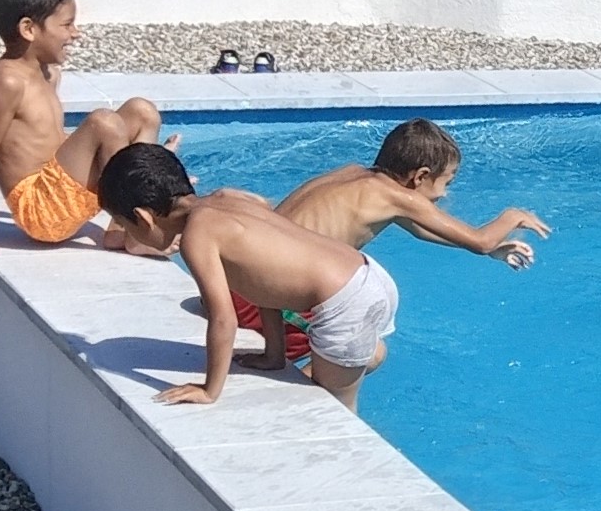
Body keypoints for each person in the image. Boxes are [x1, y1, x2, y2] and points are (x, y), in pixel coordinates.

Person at [100, 142, 397, 411]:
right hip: (363, 274)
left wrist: (209, 390)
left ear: (143, 217)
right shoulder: (228, 197)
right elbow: (265, 284)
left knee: (335, 409)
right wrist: (274, 355)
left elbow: (223, 319)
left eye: (126, 225)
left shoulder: (196, 236)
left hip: (346, 301)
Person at [233, 119, 550, 349]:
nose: (444, 194)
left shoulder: (354, 175)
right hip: (261, 302)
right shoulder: (394, 196)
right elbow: (480, 240)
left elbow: (423, 230)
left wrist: (489, 248)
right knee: (370, 353)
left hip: (240, 284)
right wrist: (513, 216)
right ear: (421, 176)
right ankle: (305, 392)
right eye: (446, 183)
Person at [0, 0, 167, 268]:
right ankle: (137, 229)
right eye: (67, 25)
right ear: (29, 29)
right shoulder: (7, 81)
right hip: (40, 212)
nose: (76, 33)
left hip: (61, 191)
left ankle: (120, 228)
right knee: (103, 122)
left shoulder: (47, 73)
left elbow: (50, 140)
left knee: (143, 112)